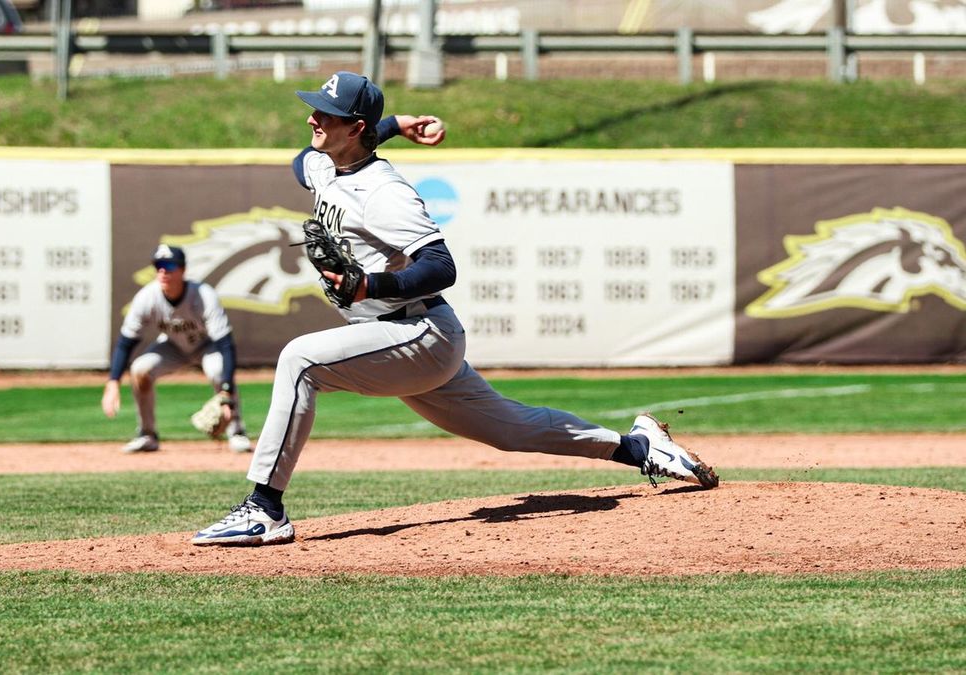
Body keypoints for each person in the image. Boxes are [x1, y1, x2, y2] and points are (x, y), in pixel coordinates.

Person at [191, 71, 718, 546]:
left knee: (300, 360)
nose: (312, 119)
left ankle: (265, 509)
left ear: (354, 128)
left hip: (419, 333)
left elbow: (441, 266)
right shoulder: (328, 166)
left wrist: (371, 282)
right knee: (511, 430)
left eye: (325, 114)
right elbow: (298, 163)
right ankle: (640, 447)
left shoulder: (384, 192)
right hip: (391, 335)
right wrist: (395, 124)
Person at [102, 244, 253, 454]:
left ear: (183, 270)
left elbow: (225, 344)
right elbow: (126, 342)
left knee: (218, 370)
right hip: (173, 346)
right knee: (139, 369)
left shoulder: (203, 295)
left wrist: (226, 392)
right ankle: (147, 434)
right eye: (159, 266)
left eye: (170, 265)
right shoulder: (147, 297)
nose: (163, 271)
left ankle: (236, 432)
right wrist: (113, 382)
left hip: (206, 346)